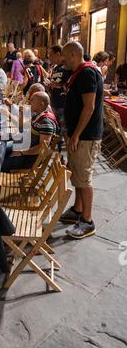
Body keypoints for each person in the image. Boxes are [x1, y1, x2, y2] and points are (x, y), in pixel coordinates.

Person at [60, 42, 104, 240]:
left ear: (74, 54)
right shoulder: (79, 72)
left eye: (65, 56)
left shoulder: (87, 74)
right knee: (77, 172)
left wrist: (76, 134)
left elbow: (89, 107)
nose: (63, 60)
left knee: (84, 177)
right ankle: (78, 209)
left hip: (86, 136)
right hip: (78, 134)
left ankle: (87, 221)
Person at [1, 92, 58, 173]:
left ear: (41, 104)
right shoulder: (38, 115)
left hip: (28, 158)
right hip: (21, 146)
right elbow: (20, 125)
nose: (29, 102)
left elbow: (42, 147)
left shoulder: (46, 122)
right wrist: (22, 113)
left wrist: (22, 152)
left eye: (32, 100)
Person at [48, 45, 72, 149]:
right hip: (54, 101)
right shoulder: (56, 68)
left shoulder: (67, 68)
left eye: (51, 55)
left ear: (58, 54)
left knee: (64, 128)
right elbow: (54, 83)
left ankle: (65, 148)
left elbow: (69, 84)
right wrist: (49, 85)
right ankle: (57, 145)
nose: (49, 58)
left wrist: (57, 85)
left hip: (63, 103)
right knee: (57, 127)